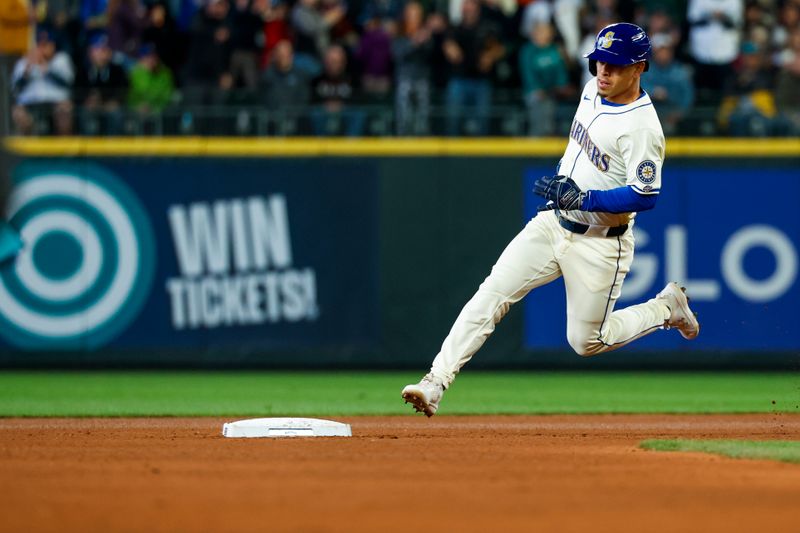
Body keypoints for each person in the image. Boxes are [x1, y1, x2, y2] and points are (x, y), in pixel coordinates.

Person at [402, 23, 700, 417]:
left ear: (639, 67)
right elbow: (579, 149)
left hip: (601, 241)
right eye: (598, 62)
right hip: (553, 223)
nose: (603, 71)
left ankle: (666, 309)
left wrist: (586, 197)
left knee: (587, 341)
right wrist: (566, 183)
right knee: (491, 294)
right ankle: (435, 382)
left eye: (614, 64)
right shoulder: (592, 89)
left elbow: (645, 194)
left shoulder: (643, 127)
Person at [11, 28, 75, 135]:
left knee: (65, 110)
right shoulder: (24, 63)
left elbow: (68, 84)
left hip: (57, 101)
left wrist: (47, 69)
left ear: (53, 46)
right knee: (18, 112)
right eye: (39, 45)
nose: (42, 49)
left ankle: (64, 149)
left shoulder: (61, 59)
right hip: (30, 102)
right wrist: (26, 72)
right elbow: (15, 89)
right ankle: (27, 149)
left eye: (46, 45)